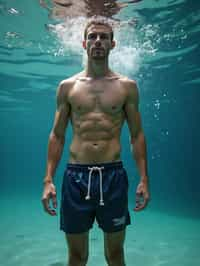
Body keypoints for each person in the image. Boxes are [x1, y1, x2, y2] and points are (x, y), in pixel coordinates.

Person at [41, 17, 150, 266]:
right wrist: (48, 180)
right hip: (75, 178)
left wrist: (144, 179)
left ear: (113, 44)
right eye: (92, 36)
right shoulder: (67, 87)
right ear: (83, 43)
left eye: (103, 37)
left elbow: (137, 135)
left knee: (115, 255)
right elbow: (57, 135)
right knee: (77, 257)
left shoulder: (127, 87)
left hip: (113, 177)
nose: (98, 41)